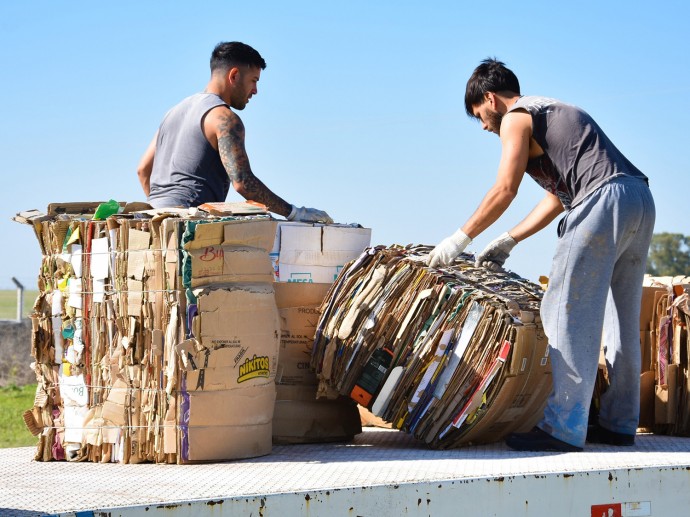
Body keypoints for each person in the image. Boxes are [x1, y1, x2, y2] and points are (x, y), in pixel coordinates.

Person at [427, 58, 655, 452]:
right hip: (637, 197)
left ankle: (562, 427)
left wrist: (458, 239)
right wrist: (509, 239)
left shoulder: (516, 116)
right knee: (621, 321)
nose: (483, 126)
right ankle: (619, 424)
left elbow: (504, 189)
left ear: (490, 98)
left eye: (479, 115)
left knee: (565, 312)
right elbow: (556, 197)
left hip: (600, 200)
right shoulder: (552, 113)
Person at [137, 41, 333, 224]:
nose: (255, 90)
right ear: (234, 76)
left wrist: (162, 210)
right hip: (189, 224)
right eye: (253, 80)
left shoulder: (173, 112)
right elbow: (243, 183)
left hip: (152, 219)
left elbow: (143, 170)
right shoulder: (224, 118)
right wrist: (295, 213)